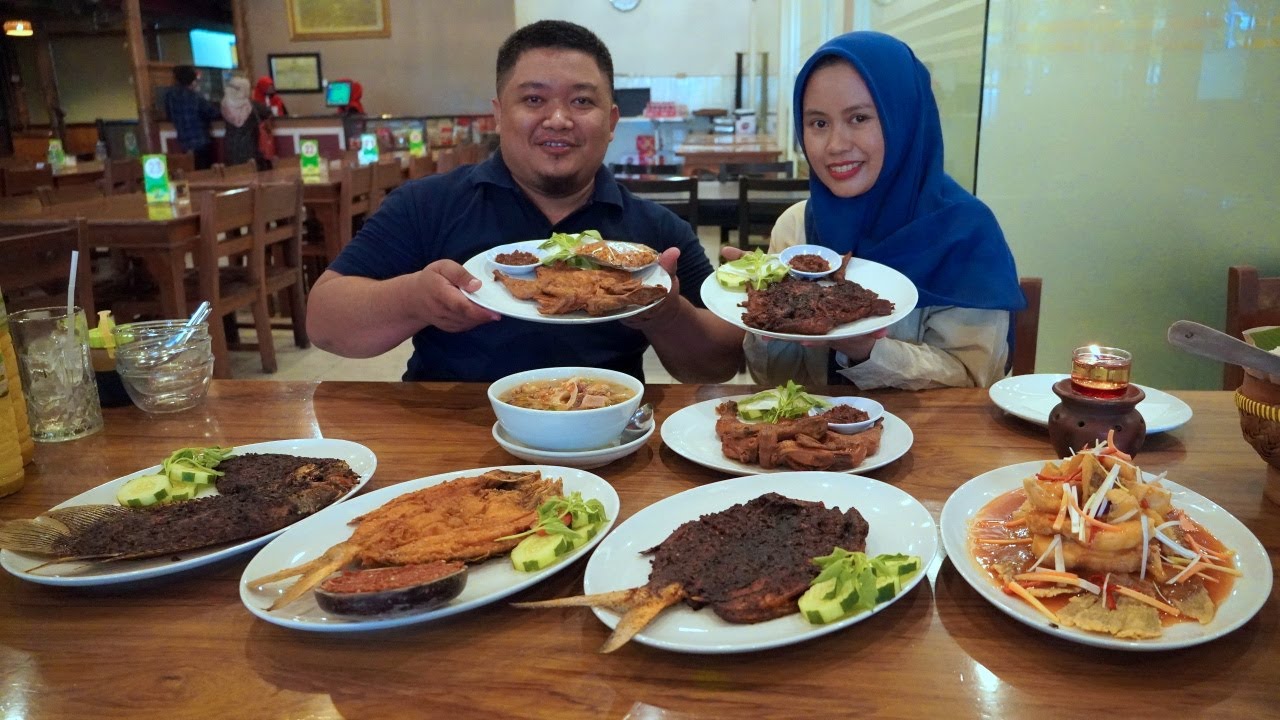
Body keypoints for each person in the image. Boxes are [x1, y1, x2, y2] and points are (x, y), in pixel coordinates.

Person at [306, 20, 742, 383]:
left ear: (611, 122)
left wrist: (666, 316)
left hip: (603, 436)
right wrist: (414, 299)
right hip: (451, 438)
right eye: (533, 99)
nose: (558, 119)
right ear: (498, 114)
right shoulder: (426, 204)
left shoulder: (655, 234)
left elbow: (720, 365)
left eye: (582, 101)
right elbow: (325, 325)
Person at [734, 31, 1025, 390]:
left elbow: (973, 382)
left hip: (934, 441)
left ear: (904, 119)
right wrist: (763, 312)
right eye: (819, 123)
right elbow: (776, 385)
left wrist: (869, 350)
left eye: (859, 118)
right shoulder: (797, 229)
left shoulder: (965, 232)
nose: (836, 145)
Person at [163, 65, 220, 170]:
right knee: (207, 174)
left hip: (184, 143)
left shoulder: (169, 96)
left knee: (192, 174)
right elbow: (212, 113)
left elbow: (169, 116)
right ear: (192, 80)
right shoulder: (195, 97)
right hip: (201, 142)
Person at [220, 76, 270, 168]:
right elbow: (267, 112)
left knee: (234, 177)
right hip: (250, 149)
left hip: (230, 150)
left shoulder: (224, 105)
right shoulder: (251, 106)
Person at [334, 78, 367, 150]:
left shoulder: (353, 106)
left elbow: (348, 119)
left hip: (353, 141)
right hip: (351, 140)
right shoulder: (345, 106)